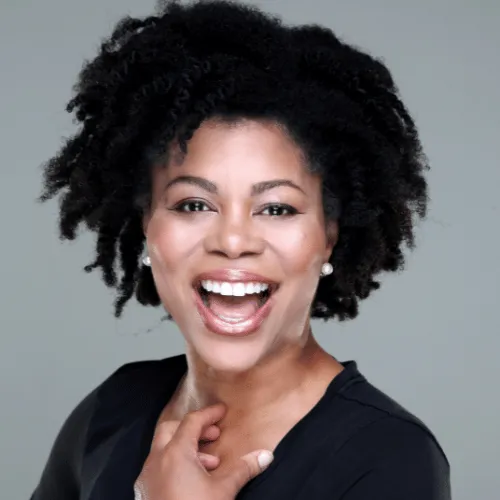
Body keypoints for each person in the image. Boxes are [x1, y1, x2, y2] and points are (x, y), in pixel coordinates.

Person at [30, 0, 451, 499]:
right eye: (193, 204)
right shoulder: (114, 408)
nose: (233, 241)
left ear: (329, 235)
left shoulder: (389, 458)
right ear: (146, 224)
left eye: (276, 208)